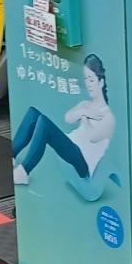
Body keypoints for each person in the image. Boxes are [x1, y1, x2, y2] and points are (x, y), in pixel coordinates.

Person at [12, 53, 115, 186]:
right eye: (86, 79)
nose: (88, 84)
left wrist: (84, 118)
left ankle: (24, 171)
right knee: (33, 113)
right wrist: (84, 112)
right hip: (71, 144)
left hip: (83, 162)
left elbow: (93, 137)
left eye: (91, 80)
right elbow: (68, 118)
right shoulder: (86, 105)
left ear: (101, 82)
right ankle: (12, 153)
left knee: (44, 123)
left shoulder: (108, 116)